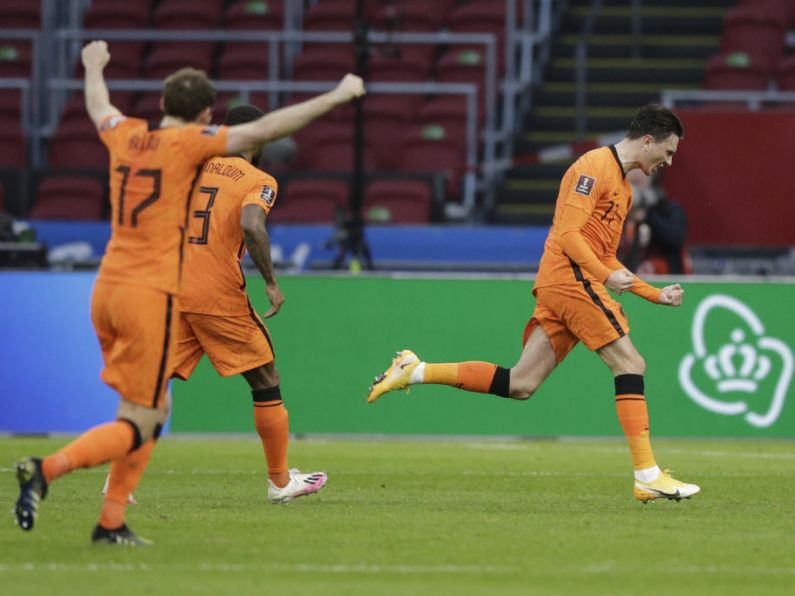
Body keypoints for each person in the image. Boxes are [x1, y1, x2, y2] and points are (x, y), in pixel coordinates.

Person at [14, 40, 364, 545]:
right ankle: (280, 480)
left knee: (148, 407)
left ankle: (113, 510)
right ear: (204, 115)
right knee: (263, 376)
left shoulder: (136, 140)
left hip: (123, 286)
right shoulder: (211, 155)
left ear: (159, 105)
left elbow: (99, 106)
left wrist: (93, 65)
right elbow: (255, 194)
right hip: (182, 289)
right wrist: (338, 94)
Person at [367, 104, 700, 503]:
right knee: (631, 364)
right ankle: (647, 475)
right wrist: (605, 275)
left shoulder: (624, 190)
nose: (668, 161)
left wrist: (653, 293)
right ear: (648, 139)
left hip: (566, 280)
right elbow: (569, 235)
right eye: (668, 152)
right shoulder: (593, 167)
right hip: (570, 278)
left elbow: (607, 257)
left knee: (521, 383)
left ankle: (415, 369)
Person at [169, 104, 326, 504]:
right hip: (217, 294)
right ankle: (278, 481)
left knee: (150, 384)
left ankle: (117, 480)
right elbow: (252, 225)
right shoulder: (259, 179)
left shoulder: (191, 169)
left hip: (174, 286)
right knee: (265, 378)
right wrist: (272, 282)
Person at [619, 170, 691, 275]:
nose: (635, 173)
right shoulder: (610, 209)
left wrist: (646, 216)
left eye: (641, 168)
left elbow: (675, 240)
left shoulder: (668, 210)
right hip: (619, 282)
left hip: (663, 282)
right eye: (632, 168)